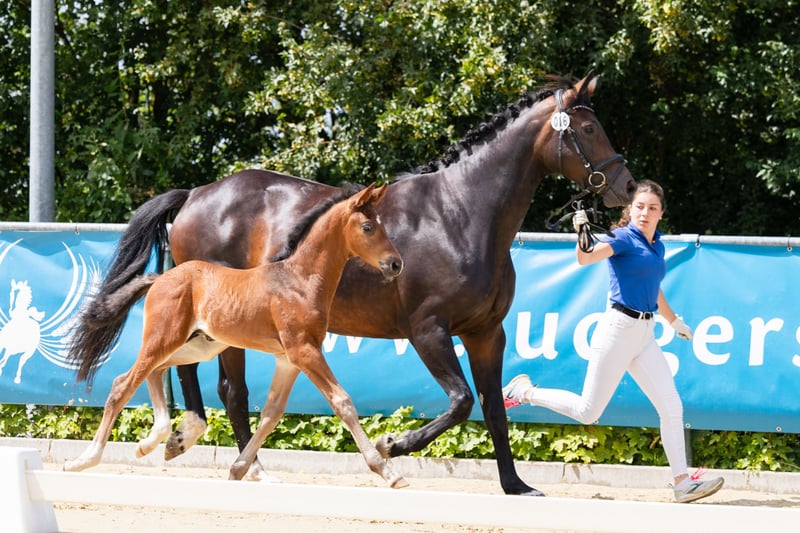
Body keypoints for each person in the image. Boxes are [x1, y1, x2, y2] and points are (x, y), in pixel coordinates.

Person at [503, 179, 724, 503]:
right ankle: (524, 392)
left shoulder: (657, 245)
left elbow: (654, 289)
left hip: (645, 335)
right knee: (588, 411)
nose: (645, 213)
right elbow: (585, 258)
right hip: (618, 330)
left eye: (652, 208)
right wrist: (581, 231)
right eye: (639, 207)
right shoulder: (622, 238)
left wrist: (673, 320)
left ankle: (681, 483)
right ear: (630, 209)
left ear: (661, 213)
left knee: (671, 406)